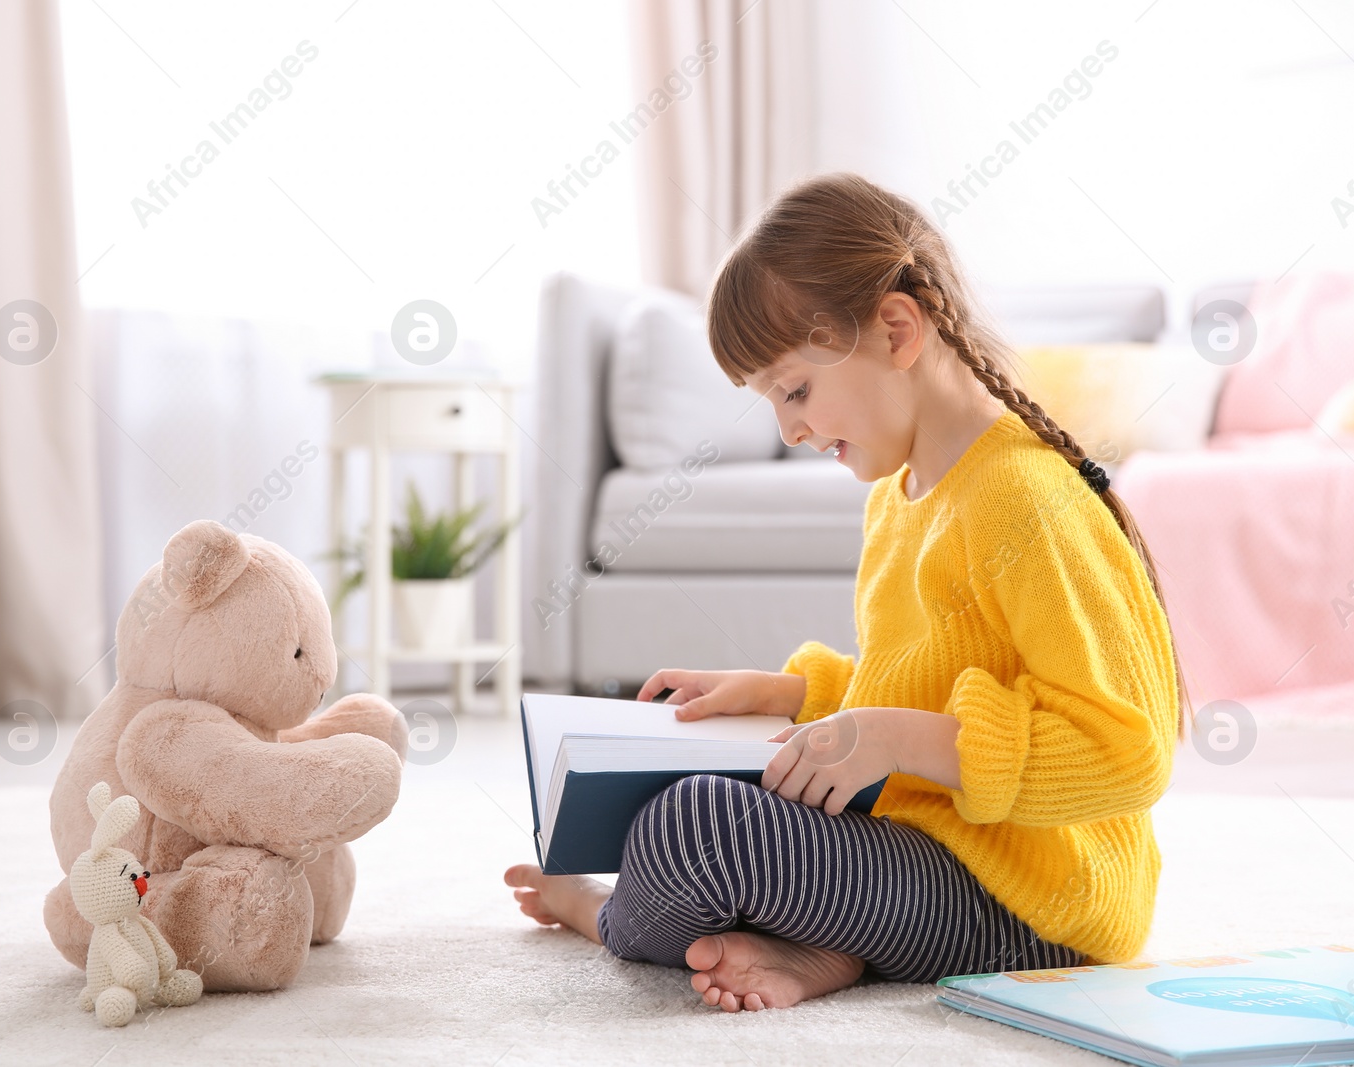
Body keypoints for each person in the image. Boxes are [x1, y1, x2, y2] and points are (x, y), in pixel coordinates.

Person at [505, 171, 1189, 1012]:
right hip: (923, 854)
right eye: (773, 402)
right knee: (687, 805)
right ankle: (828, 949)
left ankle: (610, 912)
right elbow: (915, 676)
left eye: (795, 389)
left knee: (694, 831)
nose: (789, 428)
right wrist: (791, 693)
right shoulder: (897, 498)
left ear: (898, 329)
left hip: (1038, 903)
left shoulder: (1025, 499)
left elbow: (1129, 752)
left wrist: (893, 736)